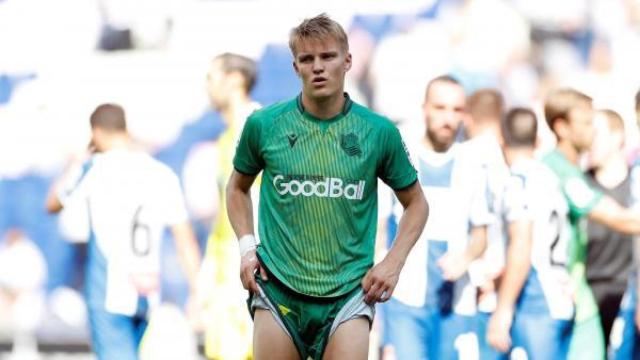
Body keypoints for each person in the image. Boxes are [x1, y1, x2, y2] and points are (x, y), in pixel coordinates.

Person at [226, 14, 429, 360]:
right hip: (278, 290)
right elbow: (236, 188)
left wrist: (393, 263)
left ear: (347, 61)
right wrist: (247, 248)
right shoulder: (264, 125)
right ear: (295, 67)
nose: (318, 67)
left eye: (328, 57)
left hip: (349, 293)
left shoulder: (378, 132)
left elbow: (417, 204)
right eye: (307, 59)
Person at [46, 104, 202, 360]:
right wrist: (196, 292)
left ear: (95, 133)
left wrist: (78, 160)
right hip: (147, 289)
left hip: (109, 290)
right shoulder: (161, 173)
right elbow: (184, 238)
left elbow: (52, 204)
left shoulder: (94, 167)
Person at [383, 75, 492, 360]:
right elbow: (380, 229)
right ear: (425, 109)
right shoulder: (401, 157)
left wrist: (465, 259)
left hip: (456, 305)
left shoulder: (473, 163)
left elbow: (481, 235)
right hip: (405, 301)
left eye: (456, 110)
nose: (448, 118)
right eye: (440, 108)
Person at [541, 88, 640, 360]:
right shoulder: (557, 171)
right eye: (586, 123)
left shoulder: (570, 170)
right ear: (561, 127)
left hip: (576, 291)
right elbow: (621, 220)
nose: (593, 131)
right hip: (553, 296)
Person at [486, 108, 574, 359]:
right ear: (537, 141)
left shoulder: (518, 181)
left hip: (536, 302)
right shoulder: (550, 176)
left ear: (501, 140)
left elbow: (521, 244)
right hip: (560, 296)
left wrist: (503, 310)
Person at [191, 52, 262, 360]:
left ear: (235, 79)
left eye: (211, 77)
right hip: (226, 275)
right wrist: (207, 277)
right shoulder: (226, 138)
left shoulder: (260, 128)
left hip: (254, 272)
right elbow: (226, 211)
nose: (207, 86)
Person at [463, 88, 510, 360]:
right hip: (503, 277)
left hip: (475, 281)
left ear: (468, 117)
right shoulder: (511, 157)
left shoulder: (463, 155)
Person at [585, 109, 635, 350]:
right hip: (586, 302)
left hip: (627, 296)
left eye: (595, 134)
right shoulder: (580, 186)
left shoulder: (635, 187)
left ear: (618, 137)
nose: (588, 141)